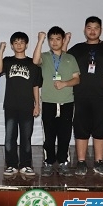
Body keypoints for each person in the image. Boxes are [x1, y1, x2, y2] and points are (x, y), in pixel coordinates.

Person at [66, 16, 103, 176]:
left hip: (102, 95)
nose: (92, 31)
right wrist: (66, 41)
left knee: (101, 129)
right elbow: (63, 60)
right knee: (81, 129)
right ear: (84, 29)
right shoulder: (77, 49)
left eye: (96, 28)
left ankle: (99, 162)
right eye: (89, 28)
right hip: (81, 95)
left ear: (101, 30)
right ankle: (81, 162)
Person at [33, 27, 80, 177]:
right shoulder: (45, 56)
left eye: (58, 39)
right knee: (49, 135)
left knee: (64, 135)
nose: (54, 42)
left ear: (62, 40)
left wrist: (65, 83)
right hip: (49, 102)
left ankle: (63, 162)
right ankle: (48, 162)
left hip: (67, 102)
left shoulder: (70, 58)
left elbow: (77, 79)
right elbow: (35, 60)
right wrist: (40, 40)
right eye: (51, 39)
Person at [0, 32, 42, 177]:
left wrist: (37, 104)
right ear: (12, 45)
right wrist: (1, 51)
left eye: (22, 42)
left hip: (27, 106)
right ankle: (11, 164)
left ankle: (26, 165)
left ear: (26, 45)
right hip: (10, 105)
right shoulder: (8, 61)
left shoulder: (33, 64)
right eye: (16, 42)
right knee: (10, 137)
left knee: (26, 137)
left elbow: (36, 85)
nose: (19, 45)